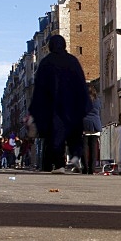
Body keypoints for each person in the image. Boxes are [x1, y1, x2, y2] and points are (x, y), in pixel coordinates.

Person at [28, 34, 90, 173]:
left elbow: (39, 88)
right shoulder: (72, 61)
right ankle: (75, 156)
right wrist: (84, 104)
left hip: (53, 107)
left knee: (55, 135)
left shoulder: (46, 62)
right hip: (72, 106)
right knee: (74, 133)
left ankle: (59, 164)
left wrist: (35, 110)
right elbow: (81, 84)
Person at [82, 86, 102, 175]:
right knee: (94, 148)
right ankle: (92, 168)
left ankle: (85, 167)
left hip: (84, 123)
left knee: (84, 147)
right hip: (95, 124)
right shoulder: (97, 100)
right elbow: (99, 110)